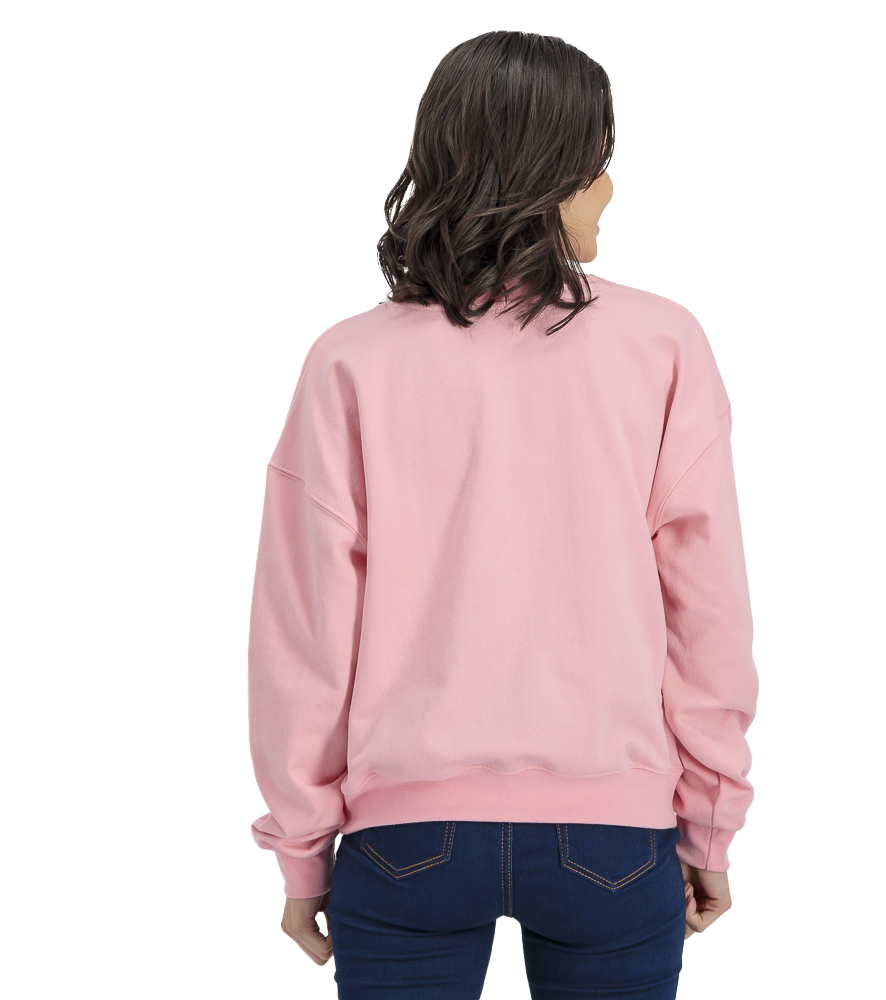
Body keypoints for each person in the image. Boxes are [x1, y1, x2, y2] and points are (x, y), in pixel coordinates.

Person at [247, 29, 758, 1000]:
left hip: (404, 838)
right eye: (595, 165)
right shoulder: (663, 344)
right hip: (615, 838)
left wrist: (303, 849)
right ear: (549, 176)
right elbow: (709, 615)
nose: (609, 189)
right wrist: (708, 824)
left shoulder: (350, 360)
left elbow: (304, 634)